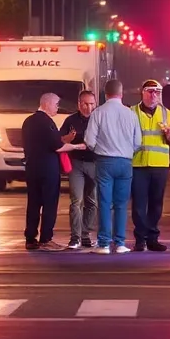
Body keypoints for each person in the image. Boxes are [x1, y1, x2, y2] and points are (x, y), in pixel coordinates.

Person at [22, 92, 86, 250]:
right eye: (56, 104)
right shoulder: (46, 122)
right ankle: (46, 238)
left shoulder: (28, 121)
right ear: (46, 104)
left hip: (31, 167)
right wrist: (78, 146)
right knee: (50, 203)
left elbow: (48, 141)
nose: (57, 107)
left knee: (34, 203)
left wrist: (64, 139)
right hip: (47, 169)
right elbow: (57, 146)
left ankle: (30, 238)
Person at [84, 79, 142, 254]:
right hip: (125, 162)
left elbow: (89, 140)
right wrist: (127, 151)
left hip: (105, 161)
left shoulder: (98, 113)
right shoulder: (131, 114)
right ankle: (120, 243)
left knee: (104, 202)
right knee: (121, 204)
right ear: (121, 93)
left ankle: (104, 244)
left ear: (105, 94)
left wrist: (99, 149)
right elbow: (138, 142)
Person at [130, 79, 170, 252]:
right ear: (142, 93)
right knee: (138, 205)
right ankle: (140, 239)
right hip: (138, 164)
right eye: (150, 91)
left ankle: (152, 238)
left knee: (156, 204)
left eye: (157, 92)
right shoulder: (131, 112)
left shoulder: (167, 113)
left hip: (159, 165)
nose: (154, 95)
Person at [59, 90, 99, 249]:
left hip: (95, 163)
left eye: (91, 104)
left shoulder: (99, 119)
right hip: (76, 163)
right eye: (85, 104)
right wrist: (69, 138)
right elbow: (61, 140)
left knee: (92, 201)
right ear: (79, 104)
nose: (88, 108)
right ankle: (75, 237)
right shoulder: (70, 120)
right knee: (76, 200)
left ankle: (85, 234)